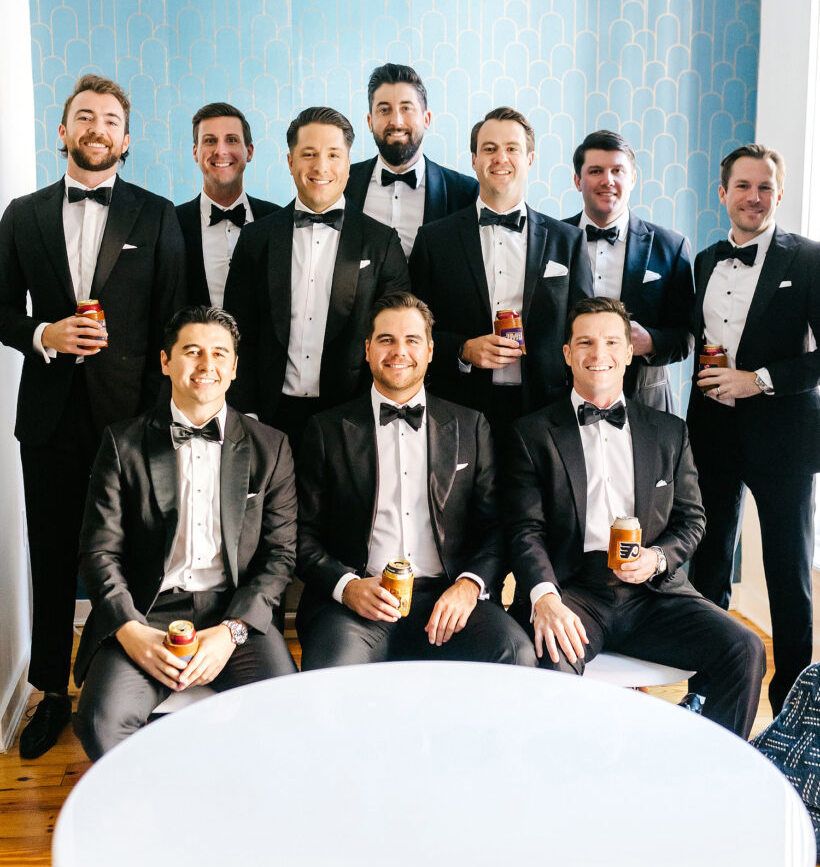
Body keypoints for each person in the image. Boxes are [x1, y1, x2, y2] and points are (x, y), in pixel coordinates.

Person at [0, 74, 186, 758]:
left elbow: (173, 321)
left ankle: (123, 682)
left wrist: (160, 421)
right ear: (63, 131)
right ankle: (50, 692)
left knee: (133, 560)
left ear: (126, 139)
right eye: (84, 116)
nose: (97, 128)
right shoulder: (22, 214)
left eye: (110, 119)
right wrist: (44, 336)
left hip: (133, 423)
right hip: (47, 421)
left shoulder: (157, 213)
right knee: (52, 559)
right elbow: (0, 310)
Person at [506, 296, 765, 738]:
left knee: (745, 649)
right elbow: (524, 530)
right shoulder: (531, 433)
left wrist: (658, 558)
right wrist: (544, 598)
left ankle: (716, 781)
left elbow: (692, 519)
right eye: (585, 342)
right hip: (574, 591)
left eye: (611, 342)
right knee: (549, 659)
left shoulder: (669, 431)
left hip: (654, 595)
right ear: (567, 354)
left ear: (629, 351)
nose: (598, 354)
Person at [73, 306, 298, 761]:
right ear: (165, 361)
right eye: (192, 351)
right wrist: (131, 629)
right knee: (101, 721)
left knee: (286, 715)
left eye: (219, 354)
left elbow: (280, 556)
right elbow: (99, 554)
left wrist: (232, 630)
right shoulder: (123, 443)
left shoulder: (270, 447)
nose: (206, 365)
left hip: (232, 610)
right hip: (147, 610)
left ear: (234, 367)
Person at [296, 291, 535, 670]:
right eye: (386, 340)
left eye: (411, 340)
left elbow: (496, 527)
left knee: (515, 654)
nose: (399, 351)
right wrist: (347, 587)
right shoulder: (326, 430)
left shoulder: (471, 426)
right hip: (357, 602)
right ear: (367, 349)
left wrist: (469, 586)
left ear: (430, 351)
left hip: (447, 595)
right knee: (331, 677)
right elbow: (301, 534)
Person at [687, 144, 820, 715]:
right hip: (713, 432)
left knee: (787, 574)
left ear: (779, 194)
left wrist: (757, 379)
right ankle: (705, 689)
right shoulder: (704, 261)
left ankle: (792, 711)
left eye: (765, 187)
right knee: (709, 561)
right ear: (723, 194)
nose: (753, 197)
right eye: (742, 186)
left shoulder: (809, 259)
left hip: (786, 437)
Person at [224, 106, 409, 450]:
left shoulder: (382, 242)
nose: (321, 166)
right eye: (308, 154)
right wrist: (245, 413)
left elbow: (393, 337)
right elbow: (237, 332)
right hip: (269, 416)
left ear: (348, 162)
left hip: (353, 420)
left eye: (333, 155)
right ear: (291, 161)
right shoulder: (256, 239)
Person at [410, 106, 592, 430]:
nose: (500, 158)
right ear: (474, 160)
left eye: (512, 149)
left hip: (547, 412)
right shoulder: (434, 240)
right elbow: (415, 332)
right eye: (489, 149)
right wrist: (463, 349)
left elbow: (583, 330)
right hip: (458, 409)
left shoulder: (570, 241)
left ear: (530, 159)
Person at [564, 129, 694, 411]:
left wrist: (650, 342)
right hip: (563, 399)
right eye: (596, 170)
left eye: (618, 171)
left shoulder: (671, 247)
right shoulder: (552, 239)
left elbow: (687, 335)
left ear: (632, 178)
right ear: (578, 180)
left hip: (645, 401)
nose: (607, 180)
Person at [345, 63, 478, 256]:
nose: (397, 121)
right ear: (370, 122)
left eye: (406, 108)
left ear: (426, 119)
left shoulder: (465, 193)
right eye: (384, 110)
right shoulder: (342, 183)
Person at [176, 102, 278, 307]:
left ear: (249, 152)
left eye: (231, 140)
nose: (220, 151)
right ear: (196, 152)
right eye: (210, 141)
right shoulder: (171, 222)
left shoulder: (278, 220)